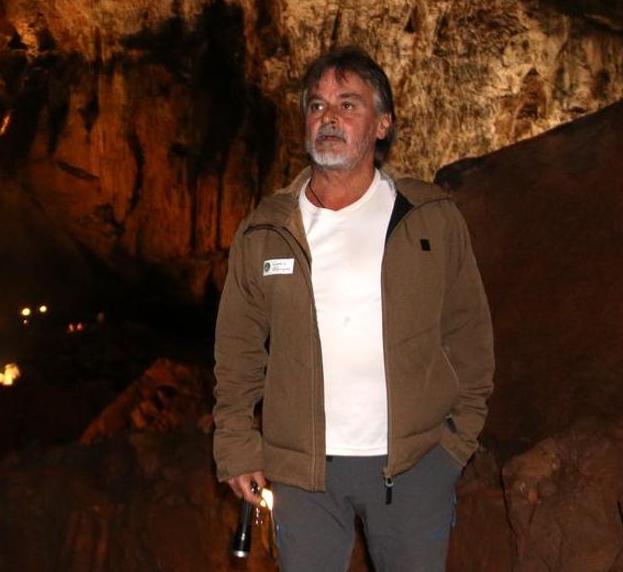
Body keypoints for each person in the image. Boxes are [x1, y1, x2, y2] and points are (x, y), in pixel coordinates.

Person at [212, 46, 494, 572]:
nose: (329, 118)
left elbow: (469, 332)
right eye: (317, 107)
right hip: (303, 475)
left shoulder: (430, 217)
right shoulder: (267, 229)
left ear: (382, 124)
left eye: (348, 104)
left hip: (413, 467)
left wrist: (455, 445)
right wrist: (236, 443)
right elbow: (238, 349)